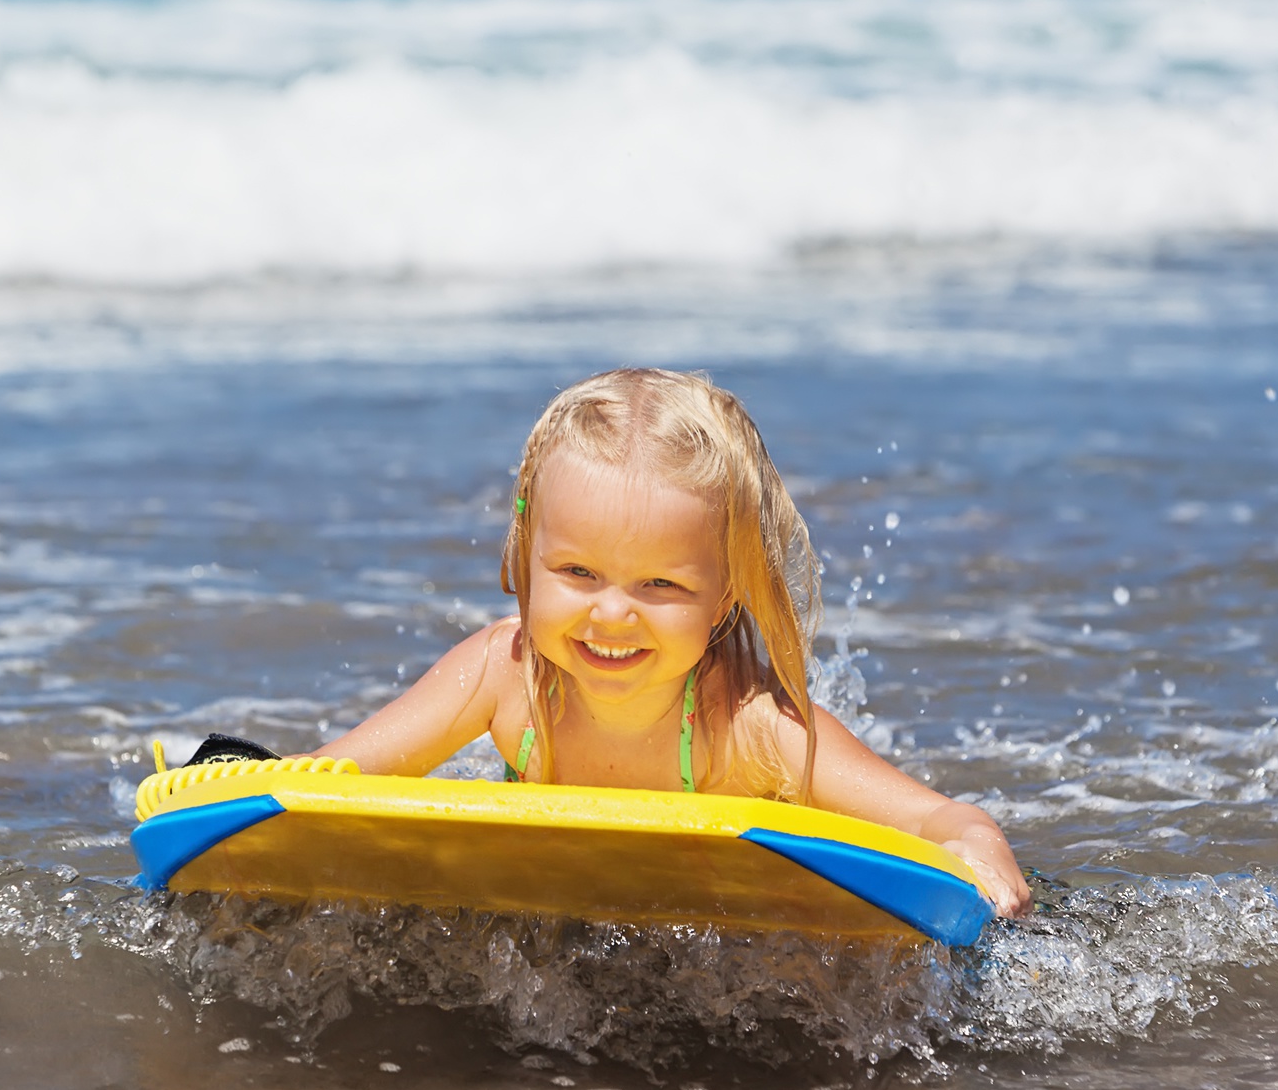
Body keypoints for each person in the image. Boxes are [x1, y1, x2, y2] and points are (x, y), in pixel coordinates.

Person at [310, 368, 1031, 917]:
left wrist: (976, 847)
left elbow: (939, 819)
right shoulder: (503, 675)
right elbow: (332, 777)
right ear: (527, 550)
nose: (613, 614)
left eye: (658, 584)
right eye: (578, 572)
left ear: (726, 594)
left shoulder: (750, 728)